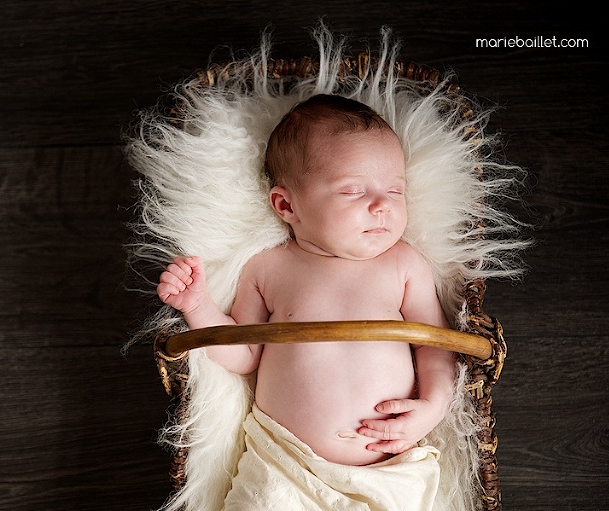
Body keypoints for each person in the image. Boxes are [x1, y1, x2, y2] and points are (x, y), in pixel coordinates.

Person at [157, 95, 456, 504]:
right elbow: (244, 353)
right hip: (282, 466)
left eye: (395, 190)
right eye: (353, 190)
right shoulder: (268, 268)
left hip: (388, 469)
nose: (382, 205)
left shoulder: (404, 264)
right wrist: (197, 306)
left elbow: (436, 344)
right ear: (287, 205)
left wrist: (433, 406)